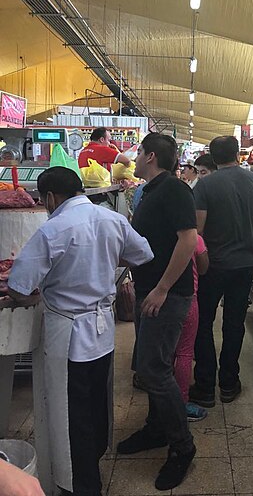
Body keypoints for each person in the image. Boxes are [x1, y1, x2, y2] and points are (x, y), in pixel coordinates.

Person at [7, 167, 153, 496]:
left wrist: (38, 293)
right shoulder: (111, 219)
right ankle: (94, 462)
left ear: (50, 198)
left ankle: (83, 486)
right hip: (102, 329)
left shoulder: (53, 228)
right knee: (97, 401)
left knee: (71, 411)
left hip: (68, 333)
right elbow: (142, 254)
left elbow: (18, 285)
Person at [117, 133, 198, 492]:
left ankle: (183, 447)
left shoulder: (176, 190)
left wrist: (163, 288)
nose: (133, 158)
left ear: (151, 156)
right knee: (150, 368)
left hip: (167, 296)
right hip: (152, 292)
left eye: (137, 152)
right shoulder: (151, 191)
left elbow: (188, 240)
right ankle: (156, 429)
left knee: (155, 369)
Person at [189, 136, 253, 408]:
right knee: (234, 324)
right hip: (244, 264)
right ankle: (228, 382)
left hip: (212, 265)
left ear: (213, 158)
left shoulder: (205, 185)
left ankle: (204, 386)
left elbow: (198, 231)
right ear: (237, 153)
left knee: (203, 324)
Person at [174, 234, 209, 421]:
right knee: (185, 353)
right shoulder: (194, 238)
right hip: (187, 300)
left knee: (165, 352)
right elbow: (203, 269)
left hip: (159, 300)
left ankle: (162, 401)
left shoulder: (156, 233)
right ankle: (182, 403)